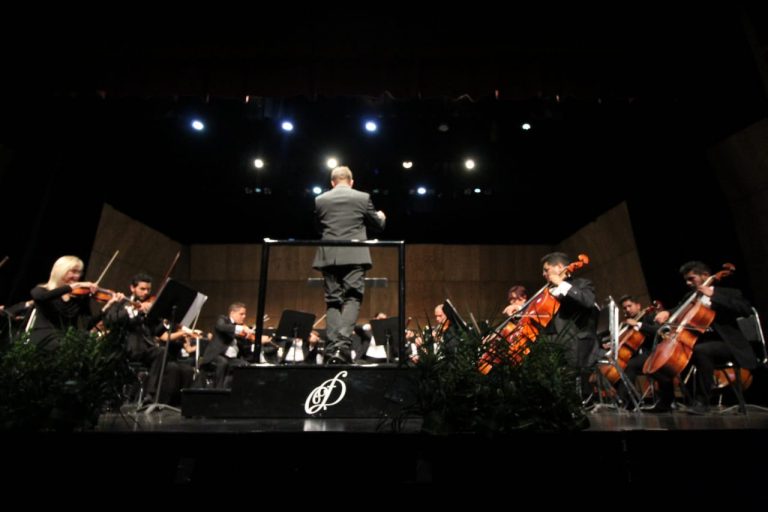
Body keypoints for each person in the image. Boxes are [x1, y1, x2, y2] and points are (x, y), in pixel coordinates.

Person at [648, 261, 754, 413]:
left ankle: (702, 402)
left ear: (705, 275)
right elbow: (679, 309)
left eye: (691, 278)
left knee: (701, 351)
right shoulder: (690, 297)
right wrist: (667, 313)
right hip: (698, 343)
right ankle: (666, 401)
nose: (688, 283)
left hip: (727, 344)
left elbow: (746, 309)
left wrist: (714, 295)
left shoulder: (727, 292)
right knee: (665, 357)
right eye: (686, 280)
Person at [312, 166, 386, 364]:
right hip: (354, 255)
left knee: (333, 301)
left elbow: (319, 227)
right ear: (351, 182)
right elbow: (376, 225)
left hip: (328, 255)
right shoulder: (362, 197)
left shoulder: (320, 200)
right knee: (352, 297)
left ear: (332, 182)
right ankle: (343, 346)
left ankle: (332, 346)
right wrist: (382, 217)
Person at [105, 273, 192, 405]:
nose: (146, 292)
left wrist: (165, 319)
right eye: (142, 289)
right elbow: (111, 321)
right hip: (126, 348)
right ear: (132, 288)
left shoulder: (150, 308)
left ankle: (150, 394)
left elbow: (159, 332)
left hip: (144, 349)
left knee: (162, 352)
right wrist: (135, 311)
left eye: (148, 289)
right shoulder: (121, 303)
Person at [28, 255, 113, 350]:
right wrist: (77, 285)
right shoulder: (42, 290)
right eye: (73, 271)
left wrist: (107, 307)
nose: (77, 276)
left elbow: (87, 324)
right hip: (43, 339)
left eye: (80, 272)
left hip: (64, 343)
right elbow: (40, 298)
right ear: (60, 271)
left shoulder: (78, 297)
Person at [539, 252, 599, 369]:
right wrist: (520, 310)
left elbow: (588, 301)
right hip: (550, 348)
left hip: (574, 347)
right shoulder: (547, 291)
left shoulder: (581, 284)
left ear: (560, 268)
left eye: (546, 270)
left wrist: (561, 283)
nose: (543, 274)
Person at [611, 295, 661, 407]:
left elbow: (658, 330)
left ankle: (623, 401)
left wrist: (638, 324)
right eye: (624, 308)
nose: (627, 310)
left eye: (630, 306)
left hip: (651, 354)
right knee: (616, 366)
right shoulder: (626, 324)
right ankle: (630, 401)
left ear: (638, 306)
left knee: (630, 365)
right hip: (635, 356)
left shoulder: (649, 316)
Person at [201, 302, 255, 388]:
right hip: (215, 355)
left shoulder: (239, 326)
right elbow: (221, 327)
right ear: (232, 313)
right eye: (241, 314)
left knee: (246, 365)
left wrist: (248, 338)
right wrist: (240, 328)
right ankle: (218, 391)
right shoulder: (223, 319)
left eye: (245, 314)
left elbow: (242, 347)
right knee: (222, 362)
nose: (244, 316)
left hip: (230, 358)